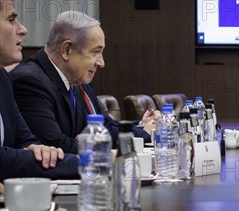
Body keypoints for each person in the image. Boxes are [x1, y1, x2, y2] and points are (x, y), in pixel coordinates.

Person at [9, 11, 158, 154]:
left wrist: (141, 128)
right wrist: (85, 142)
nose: (101, 63)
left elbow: (100, 126)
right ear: (67, 50)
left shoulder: (75, 79)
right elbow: (55, 146)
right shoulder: (29, 82)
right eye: (95, 52)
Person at [0, 0, 78, 183]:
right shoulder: (29, 79)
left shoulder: (2, 79)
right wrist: (84, 162)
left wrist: (38, 149)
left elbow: (25, 139)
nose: (23, 29)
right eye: (11, 20)